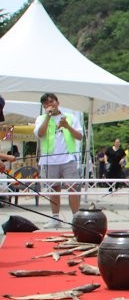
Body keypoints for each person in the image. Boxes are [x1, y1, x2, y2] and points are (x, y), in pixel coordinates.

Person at [34, 93, 84, 228]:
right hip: (50, 160)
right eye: (46, 103)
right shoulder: (41, 118)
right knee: (54, 189)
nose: (50, 105)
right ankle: (55, 218)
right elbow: (40, 134)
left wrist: (67, 126)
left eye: (52, 102)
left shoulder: (71, 118)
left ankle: (76, 218)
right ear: (44, 106)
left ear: (58, 102)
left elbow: (79, 136)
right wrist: (48, 116)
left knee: (73, 188)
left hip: (68, 159)